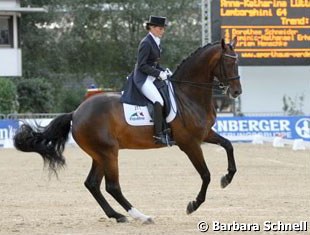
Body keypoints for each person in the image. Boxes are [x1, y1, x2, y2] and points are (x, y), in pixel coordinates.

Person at [120, 15, 173, 145]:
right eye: (160, 28)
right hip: (143, 78)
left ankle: (167, 128)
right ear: (152, 28)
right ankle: (158, 135)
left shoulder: (155, 41)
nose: (162, 31)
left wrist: (163, 71)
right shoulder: (146, 43)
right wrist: (158, 74)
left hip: (151, 77)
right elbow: (142, 65)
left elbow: (153, 63)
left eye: (163, 28)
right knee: (158, 100)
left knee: (167, 93)